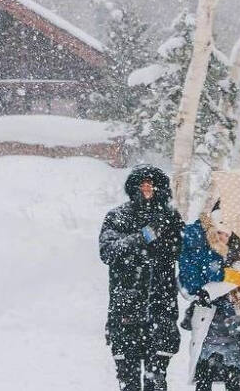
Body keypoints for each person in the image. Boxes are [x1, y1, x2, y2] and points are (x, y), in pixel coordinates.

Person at [100, 165, 184, 390]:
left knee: (156, 382)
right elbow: (108, 251)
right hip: (127, 310)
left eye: (152, 184)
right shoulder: (118, 216)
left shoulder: (170, 217)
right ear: (134, 187)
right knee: (129, 382)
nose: (147, 188)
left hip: (161, 308)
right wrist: (144, 236)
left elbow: (182, 252)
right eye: (143, 184)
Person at [179, 202, 240, 391]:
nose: (222, 237)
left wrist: (211, 289)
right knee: (204, 372)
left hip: (230, 317)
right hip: (208, 319)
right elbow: (187, 281)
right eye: (219, 233)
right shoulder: (203, 249)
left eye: (226, 234)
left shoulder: (239, 252)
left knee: (232, 374)